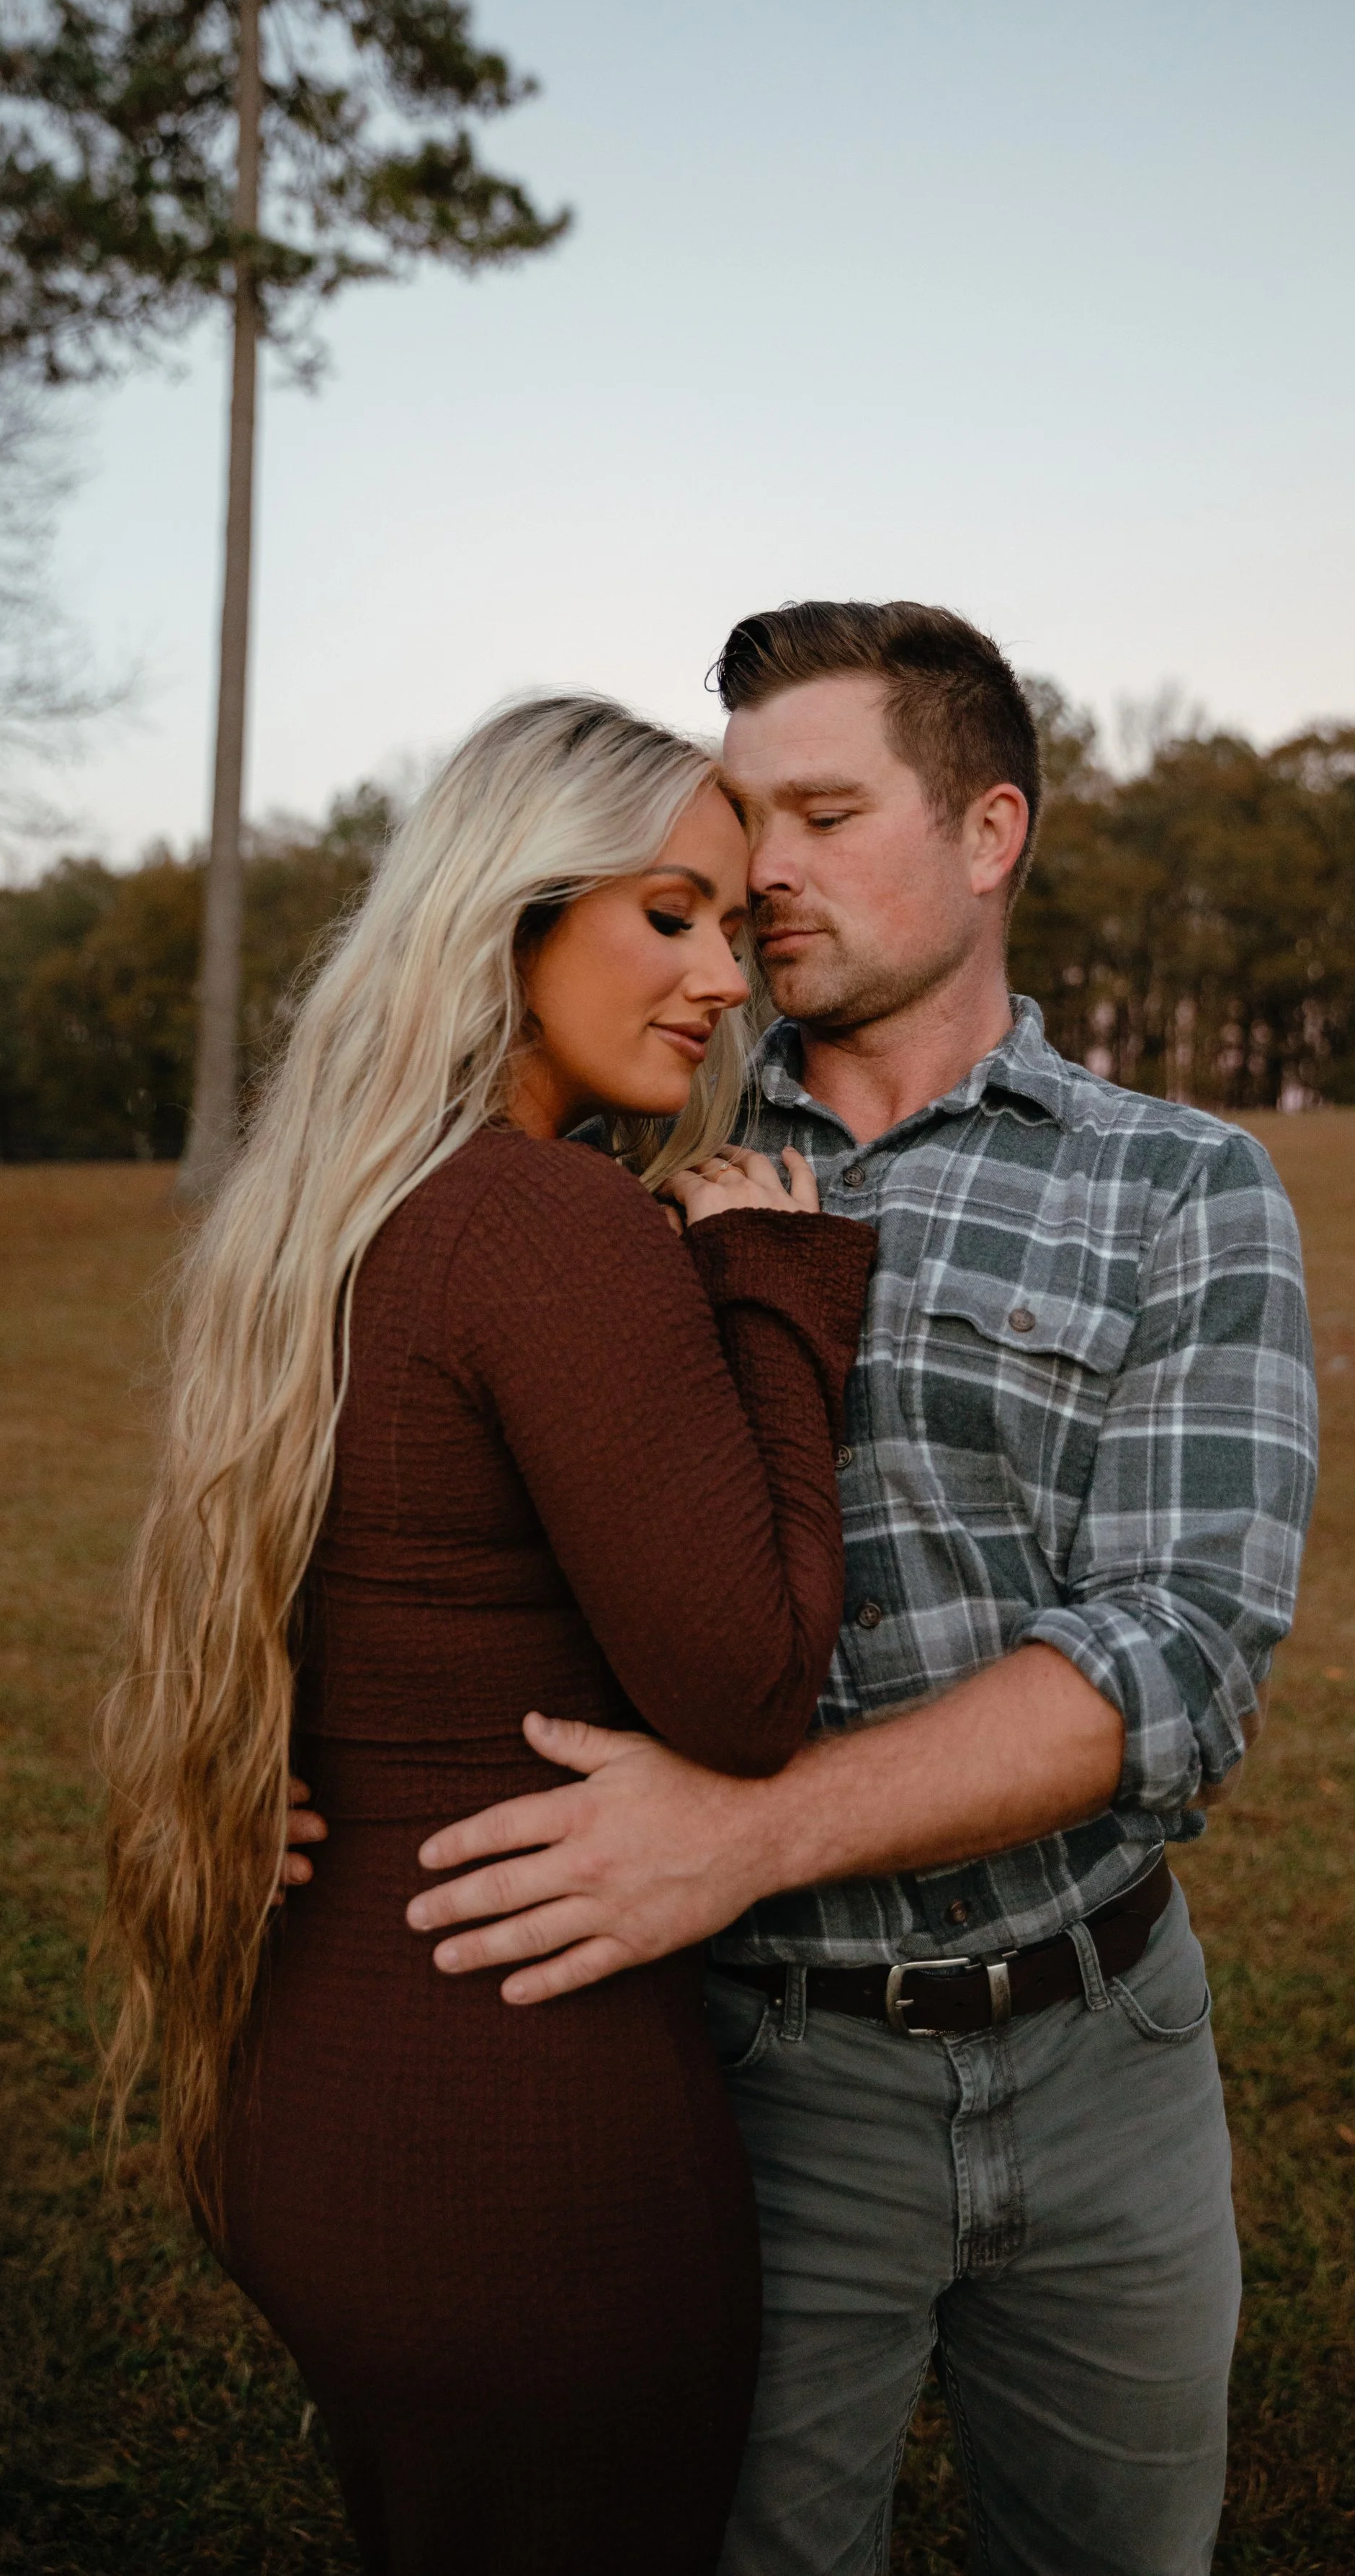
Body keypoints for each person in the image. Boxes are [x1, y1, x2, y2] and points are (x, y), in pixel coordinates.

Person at [370, 606, 1320, 2575]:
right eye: (741, 824)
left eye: (820, 810)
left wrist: (743, 1832)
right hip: (753, 2067)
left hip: (1106, 2042)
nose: (764, 873)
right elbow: (407, 1489)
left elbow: (1173, 1656)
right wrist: (313, 1751)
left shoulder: (1178, 1182)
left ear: (988, 833)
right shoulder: (632, 1151)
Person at [94, 695, 877, 2576]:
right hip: (520, 2159)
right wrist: (771, 1294)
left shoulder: (330, 1207)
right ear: (511, 916)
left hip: (324, 2095)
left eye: (733, 933)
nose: (720, 982)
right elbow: (747, 1685)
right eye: (666, 914)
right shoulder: (551, 1226)